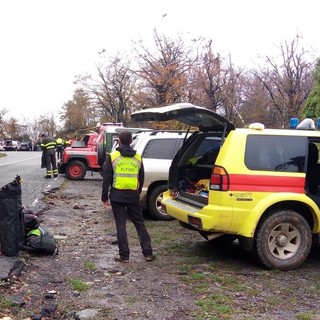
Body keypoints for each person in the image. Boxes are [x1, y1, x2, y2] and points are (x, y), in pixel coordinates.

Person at [101, 130, 155, 263]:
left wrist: (104, 197)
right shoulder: (138, 157)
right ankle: (148, 253)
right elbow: (141, 177)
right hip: (133, 195)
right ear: (131, 141)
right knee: (139, 223)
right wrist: (137, 193)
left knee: (121, 225)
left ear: (119, 140)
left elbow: (107, 177)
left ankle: (124, 255)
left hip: (117, 195)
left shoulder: (112, 156)